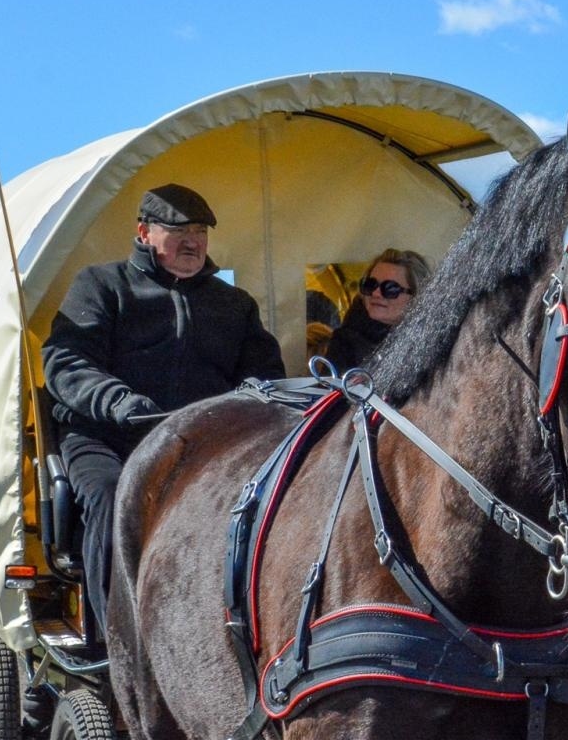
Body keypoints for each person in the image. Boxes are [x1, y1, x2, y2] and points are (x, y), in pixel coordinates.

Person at [43, 183, 286, 632]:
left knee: (266, 497)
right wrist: (119, 402)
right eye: (178, 230)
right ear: (143, 232)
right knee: (115, 496)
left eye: (200, 230)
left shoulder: (233, 305)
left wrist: (250, 401)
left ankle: (240, 628)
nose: (193, 241)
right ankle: (116, 635)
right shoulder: (101, 285)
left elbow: (266, 375)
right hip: (109, 437)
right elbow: (65, 362)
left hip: (203, 442)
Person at [323, 248, 431, 371]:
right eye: (370, 284)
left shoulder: (431, 343)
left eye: (390, 288)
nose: (376, 293)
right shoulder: (344, 343)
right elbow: (328, 389)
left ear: (417, 296)